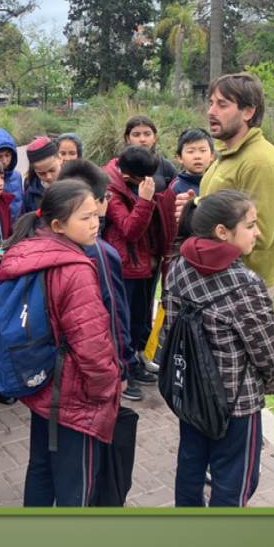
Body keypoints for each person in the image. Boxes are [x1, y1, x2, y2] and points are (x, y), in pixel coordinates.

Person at [0, 180, 122, 507]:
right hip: (74, 395)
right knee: (76, 483)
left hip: (42, 381)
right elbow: (91, 344)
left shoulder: (33, 251)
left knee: (40, 468)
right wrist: (106, 389)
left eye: (95, 214)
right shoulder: (75, 269)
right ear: (57, 225)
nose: (95, 224)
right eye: (85, 218)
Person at [165, 189, 274, 507]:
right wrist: (269, 385)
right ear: (222, 231)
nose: (258, 233)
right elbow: (269, 351)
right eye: (251, 225)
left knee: (190, 468)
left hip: (190, 394)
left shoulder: (178, 266)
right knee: (234, 484)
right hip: (236, 405)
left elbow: (168, 328)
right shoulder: (245, 284)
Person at [174, 73, 274, 295]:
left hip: (242, 292)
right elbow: (221, 208)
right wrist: (194, 206)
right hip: (216, 284)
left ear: (248, 112)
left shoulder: (261, 162)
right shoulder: (227, 154)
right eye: (211, 103)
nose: (211, 111)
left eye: (222, 104)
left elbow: (260, 235)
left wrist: (196, 214)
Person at [58, 160, 141, 401]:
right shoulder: (100, 252)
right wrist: (123, 366)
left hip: (53, 364)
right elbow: (114, 314)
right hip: (89, 365)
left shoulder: (42, 237)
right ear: (94, 202)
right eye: (107, 197)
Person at [103, 146, 175, 386]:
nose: (148, 181)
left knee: (142, 317)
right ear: (127, 176)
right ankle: (126, 371)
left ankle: (136, 361)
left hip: (144, 262)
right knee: (125, 321)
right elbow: (129, 230)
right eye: (142, 178)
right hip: (125, 265)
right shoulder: (112, 189)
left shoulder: (133, 179)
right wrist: (145, 200)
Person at [123, 115, 177, 193]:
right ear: (128, 138)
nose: (142, 139)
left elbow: (176, 194)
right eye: (136, 135)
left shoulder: (166, 167)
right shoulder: (118, 168)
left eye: (147, 134)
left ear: (154, 137)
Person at [20, 136, 62, 215]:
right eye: (41, 173)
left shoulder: (76, 184)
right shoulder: (31, 195)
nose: (48, 177)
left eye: (52, 170)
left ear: (60, 159)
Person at [173, 128, 215, 196]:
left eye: (203, 150)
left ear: (212, 155)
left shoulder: (217, 183)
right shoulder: (175, 188)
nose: (197, 156)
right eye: (190, 151)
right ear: (180, 158)